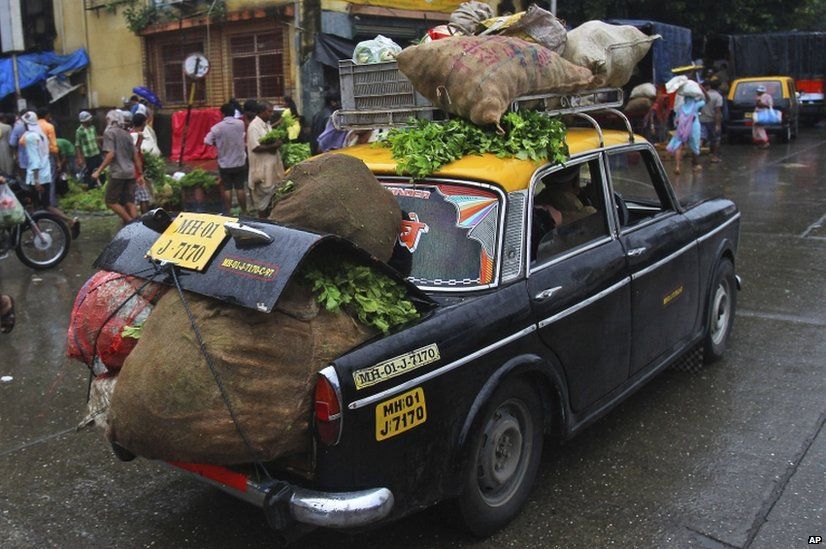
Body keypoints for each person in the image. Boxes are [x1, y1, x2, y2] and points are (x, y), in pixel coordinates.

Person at [20, 111, 79, 237]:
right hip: (45, 173)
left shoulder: (30, 137)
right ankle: (69, 221)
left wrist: (36, 180)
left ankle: (38, 234)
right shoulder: (41, 135)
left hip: (36, 176)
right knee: (46, 205)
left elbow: (34, 160)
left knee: (34, 207)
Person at [92, 110, 140, 224]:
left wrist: (98, 171)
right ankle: (138, 225)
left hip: (118, 173)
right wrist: (141, 174)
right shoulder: (127, 134)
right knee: (129, 201)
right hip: (130, 172)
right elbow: (136, 156)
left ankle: (130, 222)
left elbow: (111, 154)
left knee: (110, 201)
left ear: (110, 120)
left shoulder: (109, 133)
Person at [205, 102, 248, 214]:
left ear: (222, 114)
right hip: (240, 162)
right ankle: (245, 211)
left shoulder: (217, 128)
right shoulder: (240, 124)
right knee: (240, 188)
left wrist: (218, 144)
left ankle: (228, 212)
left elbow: (207, 141)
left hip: (225, 163)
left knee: (227, 188)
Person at [246, 101, 284, 217]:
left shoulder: (266, 124)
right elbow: (255, 147)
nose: (271, 114)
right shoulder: (254, 127)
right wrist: (273, 146)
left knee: (272, 202)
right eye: (269, 111)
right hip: (262, 172)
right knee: (262, 205)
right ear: (261, 112)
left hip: (272, 170)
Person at [667, 89, 706, 175]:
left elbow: (676, 120)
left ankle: (677, 167)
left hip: (681, 130)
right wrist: (702, 89)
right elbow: (706, 100)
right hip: (693, 129)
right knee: (695, 146)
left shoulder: (681, 108)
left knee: (678, 146)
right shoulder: (695, 106)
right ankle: (695, 165)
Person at [75, 111, 103, 190]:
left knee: (101, 171)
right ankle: (91, 188)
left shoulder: (93, 128)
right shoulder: (79, 131)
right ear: (84, 121)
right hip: (89, 155)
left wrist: (101, 150)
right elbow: (77, 145)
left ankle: (101, 185)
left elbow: (96, 140)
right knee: (91, 172)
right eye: (89, 119)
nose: (90, 120)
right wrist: (79, 158)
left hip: (96, 153)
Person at [130, 113, 152, 214]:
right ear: (143, 123)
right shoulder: (137, 136)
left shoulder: (130, 134)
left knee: (140, 197)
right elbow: (135, 156)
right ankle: (141, 220)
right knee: (143, 197)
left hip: (132, 171)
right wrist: (140, 173)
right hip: (134, 172)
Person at [700, 79, 724, 163]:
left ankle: (696, 156)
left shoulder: (703, 95)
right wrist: (718, 125)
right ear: (719, 87)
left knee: (701, 138)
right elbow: (717, 112)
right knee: (716, 139)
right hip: (712, 121)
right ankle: (714, 156)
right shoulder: (718, 97)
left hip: (701, 119)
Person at [753, 85, 773, 149]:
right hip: (761, 114)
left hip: (761, 114)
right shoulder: (766, 96)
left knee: (759, 128)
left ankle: (765, 142)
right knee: (757, 128)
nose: (757, 92)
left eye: (758, 91)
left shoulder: (763, 97)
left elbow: (760, 104)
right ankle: (761, 143)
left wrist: (762, 104)